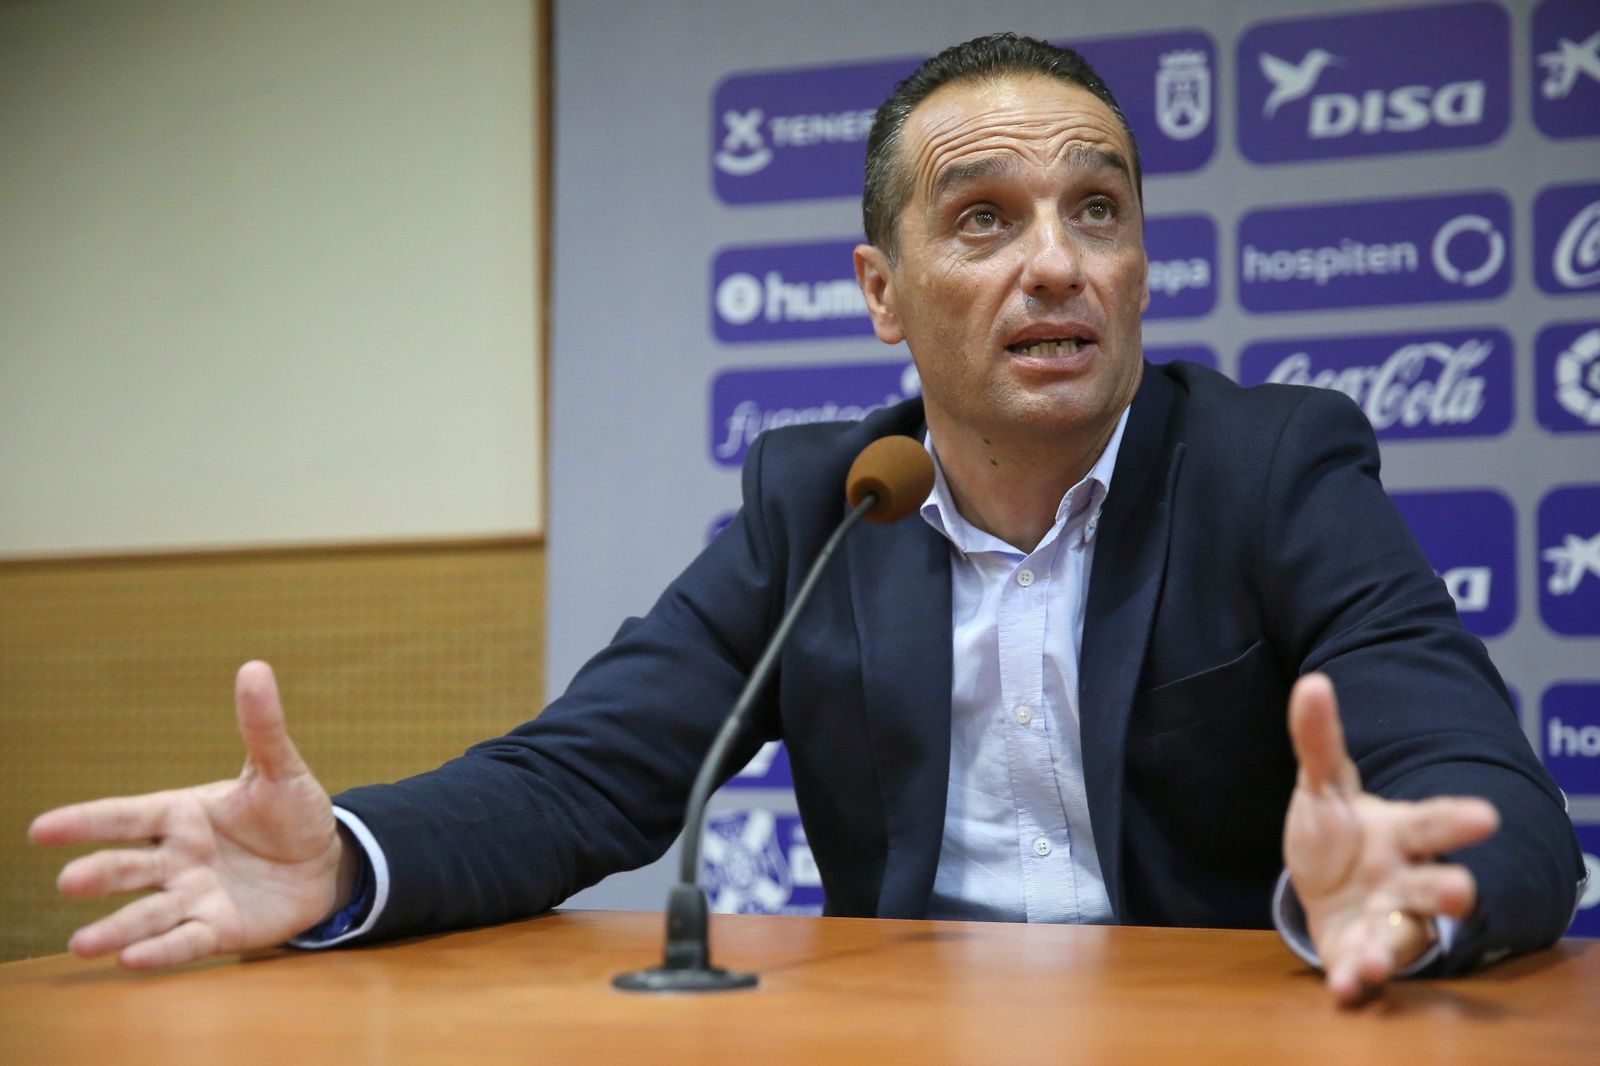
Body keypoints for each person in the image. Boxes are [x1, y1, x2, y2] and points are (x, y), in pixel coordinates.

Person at [31, 33, 1583, 1006]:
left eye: (1096, 210)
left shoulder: (1272, 467)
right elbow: (589, 777)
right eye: (985, 218)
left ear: (1138, 263)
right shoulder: (825, 502)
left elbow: (1486, 794)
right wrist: (349, 858)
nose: (1057, 262)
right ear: (881, 294)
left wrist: (1406, 898)